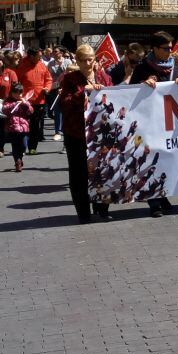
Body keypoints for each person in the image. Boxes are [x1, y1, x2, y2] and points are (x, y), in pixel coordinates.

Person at [59, 44, 113, 222]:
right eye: (85, 60)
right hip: (76, 133)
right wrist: (83, 93)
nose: (89, 63)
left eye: (91, 59)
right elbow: (65, 103)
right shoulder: (70, 79)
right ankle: (83, 212)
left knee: (102, 171)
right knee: (79, 174)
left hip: (99, 133)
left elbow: (114, 95)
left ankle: (102, 208)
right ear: (78, 61)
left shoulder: (103, 76)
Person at [131, 31, 178, 217]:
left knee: (167, 160)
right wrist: (142, 84)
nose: (169, 51)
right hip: (149, 123)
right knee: (152, 161)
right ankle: (154, 202)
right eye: (165, 48)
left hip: (169, 123)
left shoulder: (176, 66)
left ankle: (163, 194)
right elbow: (131, 93)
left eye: (171, 48)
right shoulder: (143, 67)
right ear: (154, 48)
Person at [16, 47, 50, 155]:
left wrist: (47, 88)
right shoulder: (21, 66)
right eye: (38, 56)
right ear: (31, 56)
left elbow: (48, 79)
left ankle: (32, 147)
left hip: (39, 101)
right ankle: (22, 146)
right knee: (23, 124)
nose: (40, 58)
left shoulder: (42, 65)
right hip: (25, 101)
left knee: (35, 125)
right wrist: (19, 95)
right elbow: (16, 82)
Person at [1, 83, 33, 173]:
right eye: (15, 93)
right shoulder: (8, 101)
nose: (17, 95)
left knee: (23, 145)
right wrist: (15, 104)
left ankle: (20, 157)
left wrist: (25, 104)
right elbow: (4, 109)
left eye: (19, 93)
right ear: (11, 93)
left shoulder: (24, 101)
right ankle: (17, 162)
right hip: (12, 128)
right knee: (15, 146)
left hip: (23, 128)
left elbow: (30, 111)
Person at [46, 49, 72, 141]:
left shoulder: (68, 61)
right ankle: (58, 131)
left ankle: (67, 129)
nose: (54, 53)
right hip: (55, 88)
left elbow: (70, 73)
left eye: (56, 51)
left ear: (61, 53)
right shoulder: (50, 63)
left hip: (66, 88)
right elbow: (48, 75)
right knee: (57, 110)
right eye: (53, 52)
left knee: (67, 110)